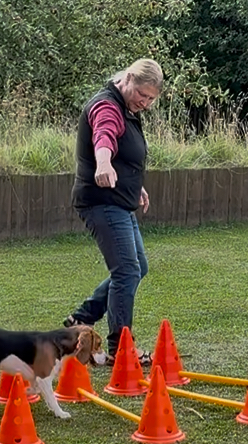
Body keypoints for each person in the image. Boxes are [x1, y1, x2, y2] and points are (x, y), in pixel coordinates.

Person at [63, 58, 163, 367]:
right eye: (142, 95)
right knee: (127, 272)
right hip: (101, 202)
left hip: (119, 199)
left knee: (138, 267)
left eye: (150, 99)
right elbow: (104, 136)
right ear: (128, 79)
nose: (144, 103)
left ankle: (80, 319)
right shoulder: (107, 106)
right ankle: (121, 347)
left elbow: (126, 153)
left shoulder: (128, 109)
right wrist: (103, 163)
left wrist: (135, 187)